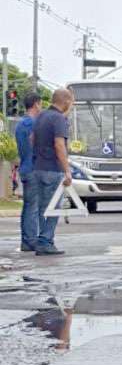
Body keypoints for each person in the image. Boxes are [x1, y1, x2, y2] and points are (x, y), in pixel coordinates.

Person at [32, 89, 74, 256]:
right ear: (65, 101)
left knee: (43, 207)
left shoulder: (41, 116)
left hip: (39, 168)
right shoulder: (59, 119)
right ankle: (45, 242)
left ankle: (42, 239)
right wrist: (67, 171)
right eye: (70, 102)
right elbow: (59, 145)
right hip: (53, 169)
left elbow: (32, 139)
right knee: (54, 208)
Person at [14, 92, 43, 252]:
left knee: (27, 207)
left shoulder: (20, 124)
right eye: (40, 104)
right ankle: (31, 240)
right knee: (33, 207)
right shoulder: (33, 124)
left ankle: (26, 240)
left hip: (25, 167)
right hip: (33, 168)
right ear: (36, 104)